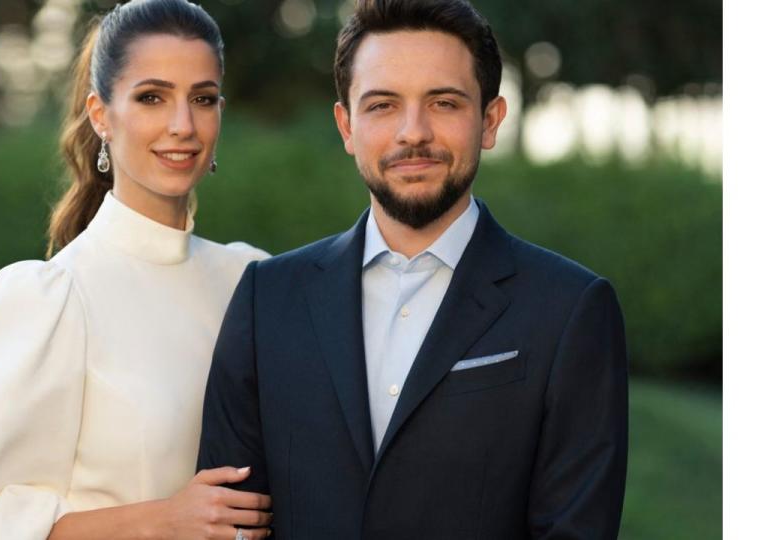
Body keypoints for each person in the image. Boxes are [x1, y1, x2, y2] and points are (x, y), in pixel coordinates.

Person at [197, 0, 628, 538]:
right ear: (346, 125)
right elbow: (229, 520)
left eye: (444, 103)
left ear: (490, 120)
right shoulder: (268, 298)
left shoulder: (570, 310)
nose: (413, 132)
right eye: (382, 105)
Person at [0, 1, 274, 539]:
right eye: (152, 97)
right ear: (101, 114)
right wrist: (166, 519)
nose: (183, 125)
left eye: (202, 99)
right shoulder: (49, 299)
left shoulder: (251, 279)